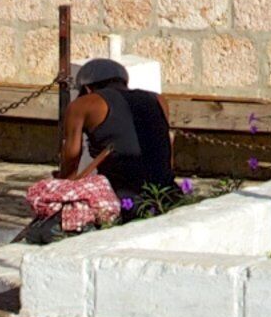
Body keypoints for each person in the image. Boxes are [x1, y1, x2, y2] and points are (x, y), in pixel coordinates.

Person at [25, 56, 177, 238]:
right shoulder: (158, 100)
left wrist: (64, 188)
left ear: (87, 88)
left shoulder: (84, 104)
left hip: (121, 196)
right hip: (167, 192)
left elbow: (72, 156)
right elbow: (165, 147)